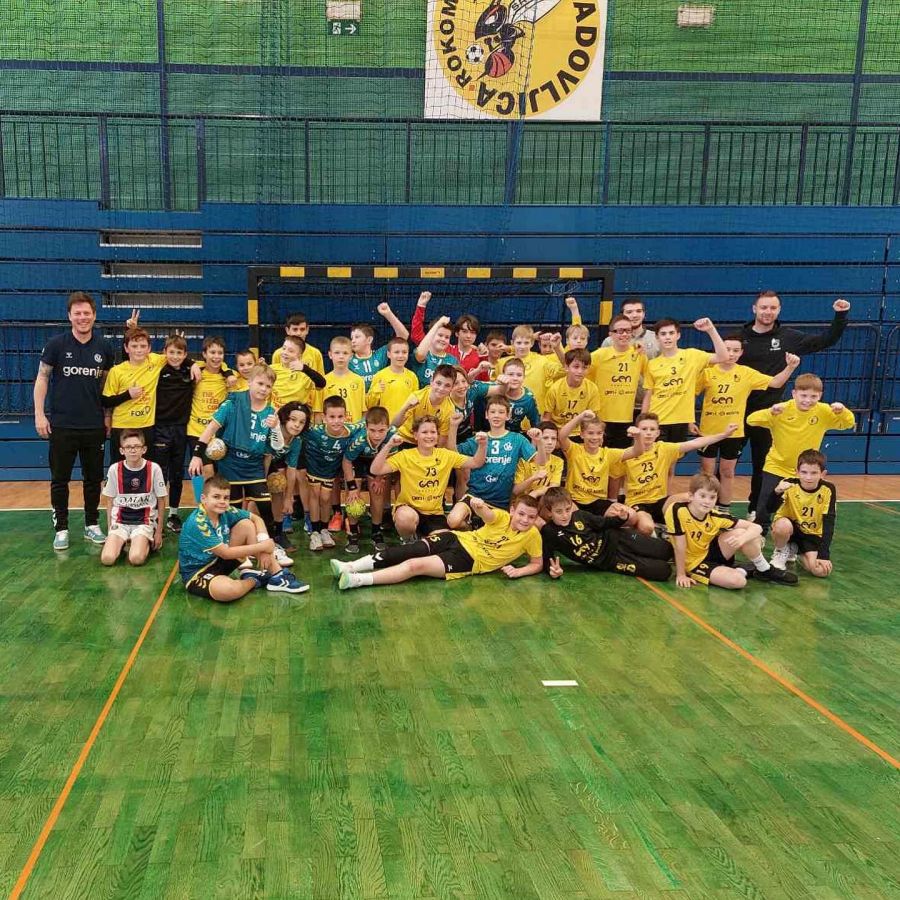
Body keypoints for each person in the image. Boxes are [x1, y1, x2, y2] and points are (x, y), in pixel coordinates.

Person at [740, 291, 850, 515]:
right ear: (754, 309)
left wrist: (840, 316)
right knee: (725, 466)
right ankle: (718, 508)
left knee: (762, 465)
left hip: (772, 412)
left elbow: (825, 340)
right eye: (764, 307)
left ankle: (756, 510)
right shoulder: (740, 337)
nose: (768, 312)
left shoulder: (788, 337)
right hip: (736, 410)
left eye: (773, 308)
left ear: (779, 310)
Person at [188, 364, 293, 568]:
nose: (264, 389)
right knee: (232, 510)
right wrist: (196, 456)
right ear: (250, 382)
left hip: (253, 466)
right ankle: (237, 552)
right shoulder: (233, 403)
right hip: (231, 465)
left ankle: (272, 548)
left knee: (265, 507)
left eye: (268, 386)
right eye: (260, 383)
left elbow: (277, 446)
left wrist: (275, 428)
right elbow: (210, 429)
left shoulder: (271, 413)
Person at [34, 291, 116, 550]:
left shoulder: (104, 348)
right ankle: (61, 528)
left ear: (94, 315)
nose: (82, 317)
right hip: (62, 425)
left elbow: (106, 385)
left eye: (87, 313)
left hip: (93, 425)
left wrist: (107, 415)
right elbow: (42, 378)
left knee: (93, 479)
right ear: (69, 316)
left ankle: (92, 524)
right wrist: (39, 414)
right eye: (77, 313)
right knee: (60, 479)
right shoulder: (56, 345)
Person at [329, 495, 544, 590]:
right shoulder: (502, 517)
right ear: (512, 510)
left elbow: (537, 563)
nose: (525, 520)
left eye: (531, 517)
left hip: (469, 560)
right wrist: (479, 506)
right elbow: (488, 515)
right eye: (521, 514)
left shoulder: (532, 535)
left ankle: (357, 580)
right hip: (456, 537)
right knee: (410, 549)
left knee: (415, 565)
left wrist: (519, 571)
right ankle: (349, 566)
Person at [696, 336, 800, 511]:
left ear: (741, 353)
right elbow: (691, 393)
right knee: (707, 473)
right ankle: (705, 508)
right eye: (727, 349)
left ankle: (724, 509)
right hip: (708, 432)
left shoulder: (746, 373)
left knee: (727, 472)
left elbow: (775, 382)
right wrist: (690, 420)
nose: (731, 354)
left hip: (734, 432)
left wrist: (790, 367)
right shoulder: (707, 372)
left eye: (735, 350)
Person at [746, 373, 855, 531]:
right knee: (764, 505)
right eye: (803, 395)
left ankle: (795, 537)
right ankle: (760, 533)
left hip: (805, 471)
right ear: (794, 393)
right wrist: (770, 412)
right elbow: (751, 420)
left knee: (800, 507)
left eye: (813, 396)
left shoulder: (824, 411)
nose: (808, 400)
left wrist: (842, 411)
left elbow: (848, 423)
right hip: (776, 466)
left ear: (820, 396)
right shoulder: (782, 409)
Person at [178, 475, 308, 600]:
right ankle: (255, 579)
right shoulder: (199, 522)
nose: (222, 502)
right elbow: (225, 553)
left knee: (246, 524)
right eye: (216, 497)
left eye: (226, 498)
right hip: (198, 574)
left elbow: (256, 518)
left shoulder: (226, 510)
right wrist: (263, 546)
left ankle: (277, 575)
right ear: (203, 498)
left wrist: (263, 541)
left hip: (218, 562)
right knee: (228, 591)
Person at [664, 473, 797, 588]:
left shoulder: (715, 515)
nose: (707, 501)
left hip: (712, 552)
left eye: (712, 497)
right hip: (694, 563)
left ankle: (764, 569)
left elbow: (757, 527)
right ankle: (743, 571)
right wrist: (681, 574)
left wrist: (742, 539)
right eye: (702, 496)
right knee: (738, 582)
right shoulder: (677, 510)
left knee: (746, 533)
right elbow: (679, 545)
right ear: (691, 496)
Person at [613, 413, 737, 535]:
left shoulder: (664, 449)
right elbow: (615, 479)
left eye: (652, 429)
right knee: (647, 528)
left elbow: (695, 443)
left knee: (691, 498)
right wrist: (614, 502)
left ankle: (704, 527)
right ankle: (654, 527)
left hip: (661, 501)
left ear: (658, 433)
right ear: (636, 432)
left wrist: (724, 435)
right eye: (644, 429)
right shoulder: (627, 454)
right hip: (638, 503)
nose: (649, 433)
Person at [369, 416, 486, 541]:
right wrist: (389, 445)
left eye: (433, 432)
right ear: (415, 435)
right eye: (424, 432)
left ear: (437, 435)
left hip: (434, 514)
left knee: (442, 542)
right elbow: (375, 470)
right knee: (405, 518)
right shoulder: (405, 456)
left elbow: (476, 462)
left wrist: (483, 445)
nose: (429, 436)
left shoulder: (446, 455)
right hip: (409, 508)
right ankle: (409, 540)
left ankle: (424, 537)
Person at [447, 398, 545, 527]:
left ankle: (479, 526)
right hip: (475, 495)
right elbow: (453, 454)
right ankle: (471, 528)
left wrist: (540, 441)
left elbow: (540, 462)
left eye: (501, 412)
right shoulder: (478, 438)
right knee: (453, 520)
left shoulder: (517, 439)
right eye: (493, 412)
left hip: (501, 502)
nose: (496, 415)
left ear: (508, 416)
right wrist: (453, 426)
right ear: (486, 415)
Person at [540, 487, 673, 581]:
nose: (565, 515)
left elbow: (604, 523)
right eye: (559, 512)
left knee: (666, 550)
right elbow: (548, 559)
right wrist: (553, 571)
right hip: (611, 561)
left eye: (568, 509)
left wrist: (620, 518)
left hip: (619, 539)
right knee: (664, 571)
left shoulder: (580, 515)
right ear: (550, 512)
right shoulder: (549, 532)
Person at [642, 317, 728, 443]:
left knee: (676, 454)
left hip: (681, 420)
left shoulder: (692, 355)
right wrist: (642, 421)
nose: (667, 337)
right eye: (663, 334)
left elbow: (723, 357)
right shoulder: (652, 364)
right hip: (657, 419)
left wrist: (711, 330)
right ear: (657, 337)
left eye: (671, 333)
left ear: (678, 335)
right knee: (656, 454)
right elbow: (648, 394)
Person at [302, 395, 363, 550]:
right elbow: (295, 427)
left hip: (330, 471)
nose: (336, 421)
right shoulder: (314, 431)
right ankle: (315, 533)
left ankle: (324, 530)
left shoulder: (352, 430)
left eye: (340, 417)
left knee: (326, 498)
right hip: (314, 466)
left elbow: (369, 422)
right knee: (315, 495)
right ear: (324, 418)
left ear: (346, 416)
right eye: (332, 417)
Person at [150, 333, 196, 533]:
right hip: (160, 428)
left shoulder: (190, 369)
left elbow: (216, 364)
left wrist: (192, 363)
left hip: (181, 429)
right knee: (160, 473)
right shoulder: (158, 369)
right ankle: (155, 514)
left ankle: (173, 514)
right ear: (164, 352)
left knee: (177, 474)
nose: (175, 356)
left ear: (185, 354)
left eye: (179, 353)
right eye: (171, 352)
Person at [100, 429, 167, 566]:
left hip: (144, 521)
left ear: (144, 449)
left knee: (136, 559)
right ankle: (124, 541)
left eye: (136, 446)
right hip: (120, 521)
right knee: (107, 559)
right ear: (122, 450)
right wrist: (110, 529)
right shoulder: (114, 469)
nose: (132, 450)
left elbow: (161, 500)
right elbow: (109, 501)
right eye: (128, 447)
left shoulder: (154, 468)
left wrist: (159, 532)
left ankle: (143, 541)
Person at [768, 449, 837, 578]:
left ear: (823, 474)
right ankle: (781, 550)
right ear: (797, 472)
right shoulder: (789, 484)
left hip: (812, 535)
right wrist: (776, 492)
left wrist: (824, 554)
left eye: (814, 473)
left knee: (821, 571)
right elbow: (769, 509)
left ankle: (796, 551)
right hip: (790, 529)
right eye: (804, 472)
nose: (808, 477)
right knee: (782, 525)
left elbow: (829, 522)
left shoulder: (828, 489)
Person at [342, 406, 395, 553]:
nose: (377, 435)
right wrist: (352, 487)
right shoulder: (358, 440)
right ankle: (353, 533)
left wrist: (379, 478)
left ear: (388, 427)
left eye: (381, 430)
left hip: (378, 461)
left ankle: (376, 532)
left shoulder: (393, 437)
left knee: (377, 491)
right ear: (366, 427)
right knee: (353, 497)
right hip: (356, 460)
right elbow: (346, 461)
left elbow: (389, 460)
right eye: (372, 430)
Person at [542, 348, 603, 437]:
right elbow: (546, 418)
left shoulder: (592, 389)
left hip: (580, 434)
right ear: (566, 367)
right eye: (576, 367)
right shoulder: (555, 388)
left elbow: (593, 418)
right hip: (558, 432)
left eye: (584, 367)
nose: (580, 371)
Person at [392, 364, 457, 445]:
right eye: (438, 383)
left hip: (429, 443)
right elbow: (395, 424)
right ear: (431, 381)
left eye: (447, 386)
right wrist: (405, 408)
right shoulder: (417, 397)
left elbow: (441, 443)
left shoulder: (449, 409)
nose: (441, 389)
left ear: (452, 387)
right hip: (405, 439)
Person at [348, 302, 410, 389]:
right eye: (352, 338)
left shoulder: (379, 355)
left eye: (357, 337)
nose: (353, 341)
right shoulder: (348, 360)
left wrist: (388, 314)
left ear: (369, 340)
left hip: (380, 397)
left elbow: (403, 336)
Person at [365, 338, 420, 421]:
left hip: (406, 426)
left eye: (404, 352)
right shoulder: (380, 376)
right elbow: (370, 405)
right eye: (396, 352)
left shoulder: (412, 377)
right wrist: (375, 392)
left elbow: (416, 406)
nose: (400, 355)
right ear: (389, 354)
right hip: (385, 425)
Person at [317, 336, 366, 425]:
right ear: (330, 354)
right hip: (331, 429)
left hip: (353, 429)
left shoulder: (358, 380)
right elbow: (319, 412)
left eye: (345, 353)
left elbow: (364, 411)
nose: (341, 356)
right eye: (337, 353)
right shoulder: (323, 381)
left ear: (351, 356)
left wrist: (359, 429)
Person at [513, 422, 564, 499]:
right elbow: (516, 491)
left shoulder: (558, 461)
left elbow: (554, 487)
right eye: (545, 438)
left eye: (553, 439)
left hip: (545, 500)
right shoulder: (523, 460)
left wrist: (536, 493)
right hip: (523, 501)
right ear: (537, 439)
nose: (550, 442)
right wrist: (533, 478)